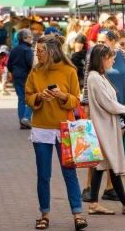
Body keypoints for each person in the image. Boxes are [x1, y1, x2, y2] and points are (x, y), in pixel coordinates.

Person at [24, 35, 87, 231]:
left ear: (51, 51)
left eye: (41, 50)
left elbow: (76, 101)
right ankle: (44, 214)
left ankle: (78, 214)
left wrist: (61, 96)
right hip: (41, 128)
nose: (37, 54)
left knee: (70, 173)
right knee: (43, 174)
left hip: (65, 129)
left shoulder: (69, 71)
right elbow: (28, 97)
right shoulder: (35, 71)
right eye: (37, 50)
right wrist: (38, 97)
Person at [84, 44, 125, 215]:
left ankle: (96, 203)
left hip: (106, 127)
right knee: (109, 164)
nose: (113, 60)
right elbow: (110, 104)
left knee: (105, 165)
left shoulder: (99, 77)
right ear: (102, 59)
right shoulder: (95, 78)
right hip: (104, 127)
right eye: (110, 57)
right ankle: (124, 204)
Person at [9, 29, 34, 129]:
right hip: (26, 76)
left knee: (21, 99)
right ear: (25, 38)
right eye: (30, 37)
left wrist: (13, 72)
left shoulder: (14, 49)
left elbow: (9, 64)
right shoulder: (27, 50)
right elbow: (30, 63)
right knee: (31, 98)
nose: (31, 39)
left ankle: (22, 121)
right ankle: (26, 118)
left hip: (16, 76)